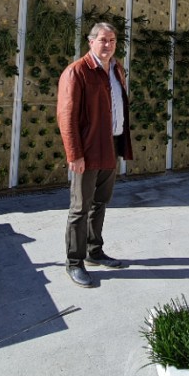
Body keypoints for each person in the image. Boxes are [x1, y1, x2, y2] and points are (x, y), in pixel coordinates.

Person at [57, 21, 132, 288]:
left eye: (112, 40)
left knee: (100, 203)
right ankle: (74, 262)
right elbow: (66, 117)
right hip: (87, 151)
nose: (108, 45)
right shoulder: (77, 71)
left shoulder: (116, 68)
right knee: (80, 207)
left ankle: (94, 251)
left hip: (109, 146)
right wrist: (74, 154)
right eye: (103, 40)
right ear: (90, 42)